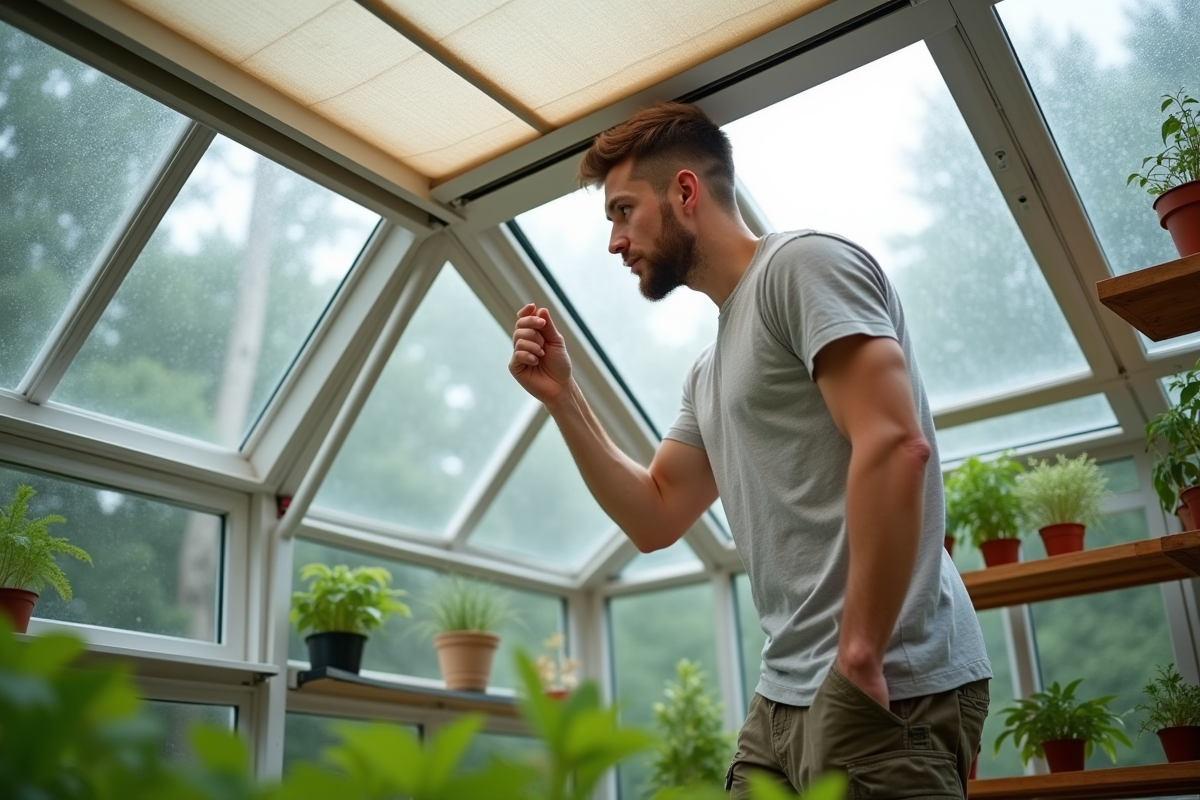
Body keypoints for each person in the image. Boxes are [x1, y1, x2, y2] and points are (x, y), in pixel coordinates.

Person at [507, 101, 991, 798]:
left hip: (888, 679)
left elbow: (894, 443)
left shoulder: (803, 266)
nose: (614, 240)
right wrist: (563, 397)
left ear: (683, 191)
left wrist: (858, 658)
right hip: (782, 700)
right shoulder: (708, 371)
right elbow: (655, 515)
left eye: (621, 211)